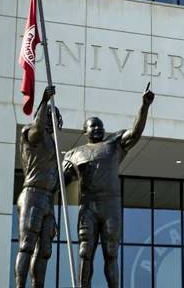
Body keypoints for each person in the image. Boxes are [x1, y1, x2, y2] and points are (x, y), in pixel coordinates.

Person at [63, 84, 154, 288]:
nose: (98, 128)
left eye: (101, 125)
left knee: (111, 254)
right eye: (93, 125)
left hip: (110, 206)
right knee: (85, 253)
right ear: (84, 130)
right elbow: (60, 183)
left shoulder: (114, 144)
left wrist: (145, 105)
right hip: (88, 208)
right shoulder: (74, 154)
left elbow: (135, 132)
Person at [15, 86, 62, 288]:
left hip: (46, 200)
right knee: (26, 246)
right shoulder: (32, 135)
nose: (53, 118)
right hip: (32, 195)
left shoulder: (52, 143)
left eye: (55, 114)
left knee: (44, 250)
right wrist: (44, 101)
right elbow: (37, 126)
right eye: (49, 114)